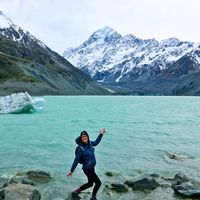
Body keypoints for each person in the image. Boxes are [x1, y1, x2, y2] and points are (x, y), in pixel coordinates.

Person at [67, 128, 106, 200]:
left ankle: (76, 191)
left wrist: (101, 134)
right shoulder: (80, 148)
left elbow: (96, 142)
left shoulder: (90, 143)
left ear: (88, 137)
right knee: (98, 183)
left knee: (90, 183)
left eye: (85, 136)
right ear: (81, 138)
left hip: (91, 168)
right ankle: (93, 197)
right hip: (87, 169)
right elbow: (76, 159)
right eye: (82, 137)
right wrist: (71, 170)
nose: (84, 138)